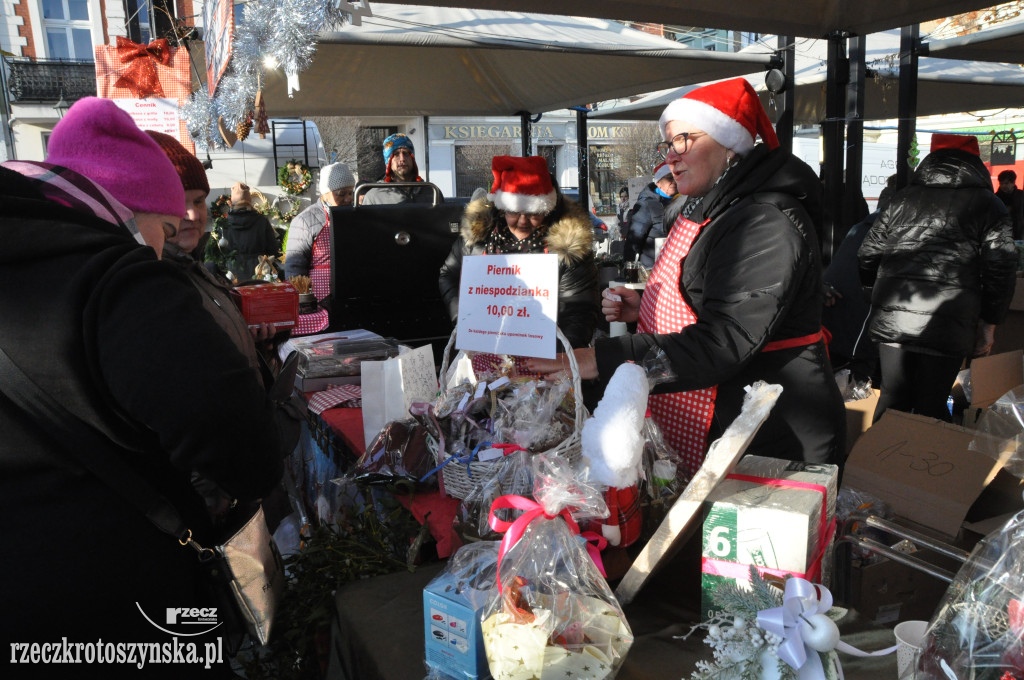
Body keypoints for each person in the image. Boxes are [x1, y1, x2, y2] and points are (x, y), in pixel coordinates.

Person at [0, 97, 284, 677]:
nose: (169, 243)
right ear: (128, 211)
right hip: (125, 604)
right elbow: (238, 445)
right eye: (168, 226)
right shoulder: (122, 279)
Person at [528, 78, 846, 477]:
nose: (672, 157)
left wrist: (598, 358)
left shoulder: (765, 222)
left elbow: (725, 340)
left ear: (730, 144)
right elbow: (713, 298)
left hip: (772, 433)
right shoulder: (711, 207)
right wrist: (645, 308)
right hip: (723, 417)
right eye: (668, 144)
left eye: (683, 140)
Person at [858, 133, 1017, 423]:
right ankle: (929, 466)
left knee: (893, 398)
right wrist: (989, 324)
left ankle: (871, 466)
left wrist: (874, 293)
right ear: (975, 161)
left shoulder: (903, 198)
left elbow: (868, 252)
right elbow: (1001, 270)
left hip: (896, 318)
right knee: (933, 403)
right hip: (951, 319)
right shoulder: (988, 204)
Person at [438, 155, 600, 349]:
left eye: (533, 214)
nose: (523, 221)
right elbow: (448, 274)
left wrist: (551, 354)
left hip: (546, 358)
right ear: (501, 208)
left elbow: (579, 312)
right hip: (482, 348)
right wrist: (462, 316)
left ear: (547, 209)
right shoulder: (477, 237)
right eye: (514, 212)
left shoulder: (568, 248)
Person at [821, 175, 898, 384]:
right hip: (857, 333)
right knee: (856, 385)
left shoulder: (861, 227)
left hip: (835, 322)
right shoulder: (889, 233)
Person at [284, 161, 356, 306]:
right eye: (341, 194)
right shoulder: (305, 221)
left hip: (351, 293)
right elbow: (294, 267)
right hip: (320, 299)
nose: (348, 199)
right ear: (325, 194)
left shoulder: (354, 215)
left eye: (350, 193)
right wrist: (302, 302)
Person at [221, 181, 280, 281]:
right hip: (260, 272)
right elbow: (273, 249)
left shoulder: (223, 225)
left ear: (232, 201)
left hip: (232, 274)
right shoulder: (262, 221)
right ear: (249, 200)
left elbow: (219, 254)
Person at [624, 161, 679, 268]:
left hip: (676, 265)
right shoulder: (647, 205)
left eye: (676, 177)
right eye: (669, 178)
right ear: (658, 182)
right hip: (653, 268)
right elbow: (634, 240)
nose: (673, 182)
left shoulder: (684, 200)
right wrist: (628, 269)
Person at [360, 133, 438, 205]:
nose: (402, 159)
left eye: (406, 153)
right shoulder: (374, 197)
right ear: (387, 162)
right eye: (396, 154)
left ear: (412, 159)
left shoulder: (432, 192)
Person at [996, 169, 1024, 241]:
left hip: (1018, 232)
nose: (1003, 186)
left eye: (1006, 183)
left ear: (1013, 183)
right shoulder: (996, 197)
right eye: (1001, 183)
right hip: (1001, 234)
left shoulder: (1021, 196)